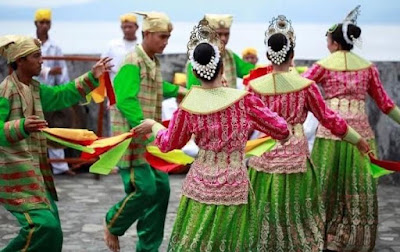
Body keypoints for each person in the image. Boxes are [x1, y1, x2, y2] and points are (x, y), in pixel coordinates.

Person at [134, 19, 290, 251]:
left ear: (195, 72)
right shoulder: (243, 99)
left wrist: (154, 125)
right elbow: (281, 129)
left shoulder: (189, 104)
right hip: (234, 184)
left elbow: (168, 144)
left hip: (200, 186)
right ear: (221, 68)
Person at [246, 15, 370, 251]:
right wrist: (358, 139)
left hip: (264, 157)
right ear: (292, 56)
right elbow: (329, 118)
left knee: (263, 210)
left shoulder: (255, 88)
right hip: (295, 158)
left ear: (268, 56)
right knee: (298, 211)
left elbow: (246, 127)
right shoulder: (305, 87)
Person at [0, 34, 111, 252]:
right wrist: (21, 126)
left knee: (53, 233)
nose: (42, 61)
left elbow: (62, 95)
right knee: (43, 227)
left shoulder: (35, 88)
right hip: (14, 174)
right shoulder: (5, 92)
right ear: (20, 60)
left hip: (36, 172)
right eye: (36, 56)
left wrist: (91, 77)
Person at [303, 6, 400, 251]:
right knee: (357, 188)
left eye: (328, 39)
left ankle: (324, 235)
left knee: (326, 185)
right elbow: (386, 105)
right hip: (361, 135)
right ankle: (353, 237)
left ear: (335, 43)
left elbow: (298, 88)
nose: (326, 44)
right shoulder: (367, 67)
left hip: (331, 134)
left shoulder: (322, 65)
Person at [105, 11, 184, 252]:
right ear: (147, 34)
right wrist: (148, 128)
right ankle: (113, 223)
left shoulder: (151, 61)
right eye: (162, 37)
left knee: (161, 189)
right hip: (133, 144)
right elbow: (125, 99)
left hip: (150, 143)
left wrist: (181, 91)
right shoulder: (132, 61)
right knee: (145, 190)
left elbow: (158, 86)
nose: (166, 42)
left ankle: (148, 248)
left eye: (168, 37)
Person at [34, 8, 74, 175]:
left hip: (50, 92)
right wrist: (50, 71)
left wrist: (63, 93)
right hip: (33, 91)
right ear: (36, 23)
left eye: (47, 22)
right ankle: (34, 167)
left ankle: (59, 166)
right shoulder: (29, 43)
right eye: (41, 22)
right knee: (32, 129)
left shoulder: (55, 47)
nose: (44, 26)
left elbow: (62, 70)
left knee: (54, 128)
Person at [186, 14, 255, 90]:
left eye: (226, 34)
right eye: (219, 34)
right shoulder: (198, 60)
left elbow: (250, 71)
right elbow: (192, 92)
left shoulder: (230, 55)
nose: (223, 38)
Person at [102, 13, 139, 82]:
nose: (127, 30)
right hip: (114, 81)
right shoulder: (112, 45)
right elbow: (103, 62)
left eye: (130, 27)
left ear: (136, 27)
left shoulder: (141, 45)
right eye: (124, 27)